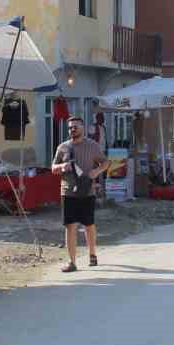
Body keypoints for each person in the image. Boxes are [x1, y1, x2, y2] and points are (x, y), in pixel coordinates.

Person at [54, 115, 108, 272]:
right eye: (70, 127)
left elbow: (105, 162)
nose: (72, 130)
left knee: (89, 225)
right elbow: (52, 168)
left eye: (75, 127)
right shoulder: (62, 147)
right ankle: (72, 262)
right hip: (68, 192)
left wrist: (96, 171)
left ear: (83, 128)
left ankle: (92, 254)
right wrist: (63, 166)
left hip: (87, 191)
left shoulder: (92, 146)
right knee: (70, 226)